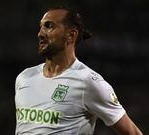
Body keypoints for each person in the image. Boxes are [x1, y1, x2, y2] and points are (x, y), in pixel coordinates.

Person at [14, 6, 143, 135]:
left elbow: (133, 132)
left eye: (49, 26)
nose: (40, 33)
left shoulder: (88, 82)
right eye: (41, 26)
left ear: (71, 35)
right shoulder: (24, 78)